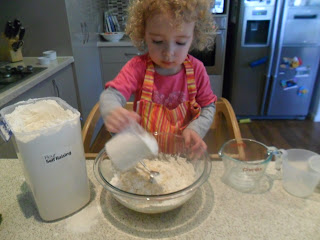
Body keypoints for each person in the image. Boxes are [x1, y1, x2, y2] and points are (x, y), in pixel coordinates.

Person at [100, 0, 217, 153]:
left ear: (194, 37)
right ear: (143, 33)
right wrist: (112, 110)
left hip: (182, 158)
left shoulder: (197, 70)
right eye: (158, 41)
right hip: (144, 157)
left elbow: (208, 107)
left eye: (180, 42)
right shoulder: (138, 68)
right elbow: (111, 95)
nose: (168, 52)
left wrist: (195, 129)